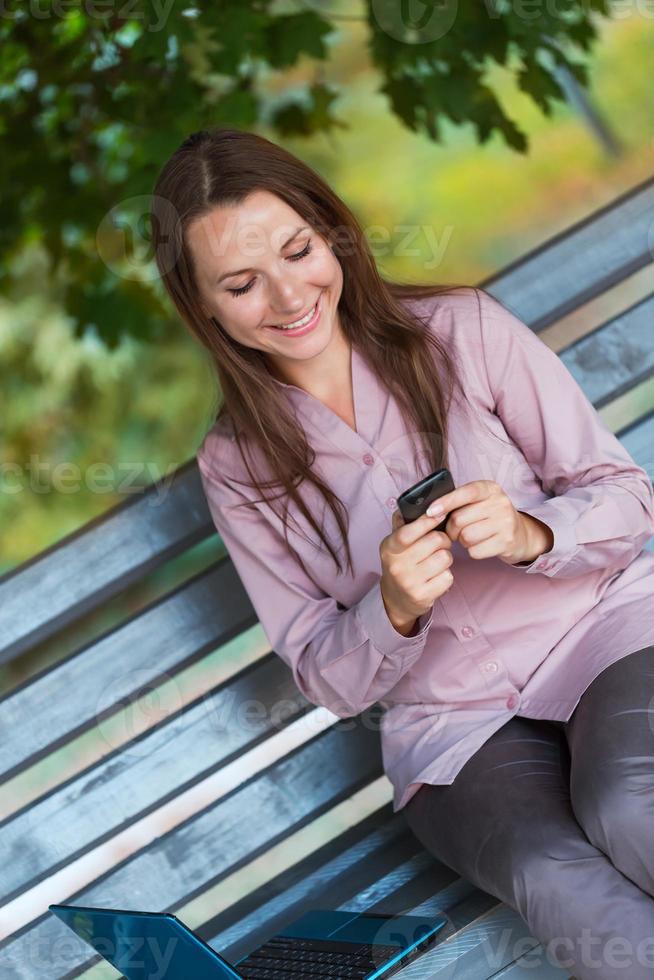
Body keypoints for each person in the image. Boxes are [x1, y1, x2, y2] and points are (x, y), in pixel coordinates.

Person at [149, 127, 654, 979]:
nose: (286, 295)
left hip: (603, 630)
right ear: (203, 308)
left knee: (630, 804)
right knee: (550, 875)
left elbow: (627, 495)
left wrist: (536, 534)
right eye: (240, 284)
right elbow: (323, 676)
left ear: (334, 233)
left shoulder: (465, 329)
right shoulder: (233, 465)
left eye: (299, 251)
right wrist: (391, 608)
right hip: (452, 727)